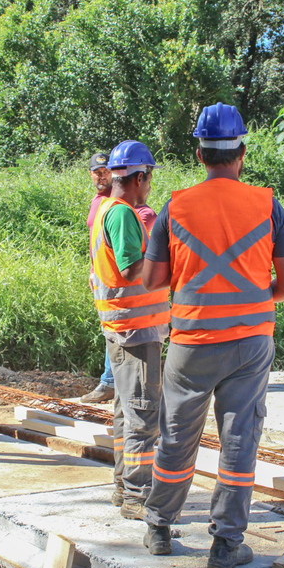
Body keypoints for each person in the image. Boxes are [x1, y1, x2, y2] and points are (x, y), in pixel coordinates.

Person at [141, 102, 284, 568]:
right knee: (239, 438)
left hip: (190, 341)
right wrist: (250, 298)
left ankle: (158, 526)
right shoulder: (267, 204)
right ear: (242, 152)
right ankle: (227, 544)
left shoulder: (176, 205)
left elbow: (152, 280)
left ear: (199, 154)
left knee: (176, 433)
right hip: (250, 343)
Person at [90, 141, 171, 519]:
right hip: (136, 331)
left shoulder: (107, 208)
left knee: (126, 411)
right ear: (139, 177)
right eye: (149, 177)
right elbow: (129, 270)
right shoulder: (122, 214)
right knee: (142, 414)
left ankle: (124, 487)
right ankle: (139, 496)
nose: (150, 184)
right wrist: (168, 262)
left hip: (123, 328)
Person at [81, 152, 117, 405]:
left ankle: (110, 382)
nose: (101, 175)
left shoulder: (117, 200)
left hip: (114, 275)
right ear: (90, 174)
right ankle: (111, 380)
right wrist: (92, 269)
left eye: (105, 170)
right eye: (97, 171)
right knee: (109, 327)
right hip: (100, 274)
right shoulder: (97, 201)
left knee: (113, 327)